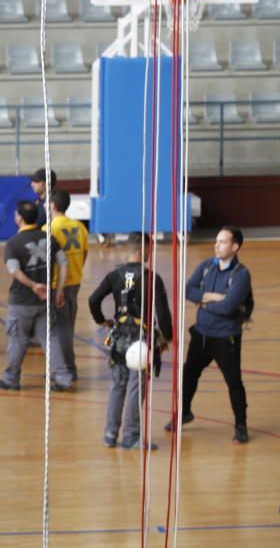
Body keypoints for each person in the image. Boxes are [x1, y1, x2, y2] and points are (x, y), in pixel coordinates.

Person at [169, 225, 253, 444]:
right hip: (201, 335)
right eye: (216, 241)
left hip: (226, 338)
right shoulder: (207, 266)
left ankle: (241, 425)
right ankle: (184, 413)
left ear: (235, 247)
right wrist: (213, 297)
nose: (217, 245)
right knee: (189, 375)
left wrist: (203, 303)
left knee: (234, 382)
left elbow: (229, 307)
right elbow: (188, 290)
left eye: (222, 242)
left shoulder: (241, 274)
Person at [88, 233, 173, 449]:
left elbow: (93, 299)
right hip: (140, 340)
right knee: (136, 386)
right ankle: (131, 436)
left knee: (118, 386)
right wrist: (168, 336)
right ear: (146, 249)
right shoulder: (151, 278)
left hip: (118, 338)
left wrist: (102, 321)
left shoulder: (115, 275)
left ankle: (110, 433)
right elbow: (162, 314)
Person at [0, 201, 73, 392]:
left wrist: (33, 285)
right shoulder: (49, 238)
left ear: (19, 218)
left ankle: (11, 379)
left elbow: (14, 270)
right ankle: (63, 378)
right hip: (45, 300)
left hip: (21, 301)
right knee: (50, 338)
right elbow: (63, 263)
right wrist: (59, 289)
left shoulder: (14, 242)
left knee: (17, 340)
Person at [42, 189, 88, 381]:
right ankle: (66, 367)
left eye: (46, 203)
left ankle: (66, 369)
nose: (44, 206)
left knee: (58, 329)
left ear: (53, 205)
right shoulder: (79, 226)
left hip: (56, 286)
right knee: (67, 326)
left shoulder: (49, 228)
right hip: (74, 282)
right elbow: (84, 253)